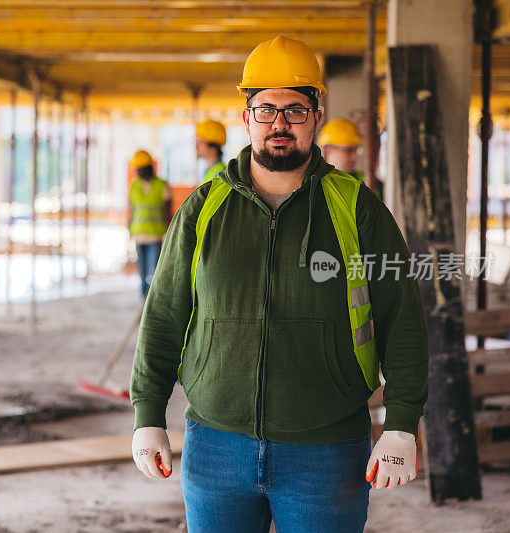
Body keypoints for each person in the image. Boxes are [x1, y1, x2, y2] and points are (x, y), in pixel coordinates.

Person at [130, 36, 428, 532]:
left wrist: (400, 426)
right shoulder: (203, 208)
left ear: (315, 117)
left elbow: (402, 320)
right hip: (215, 446)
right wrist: (148, 414)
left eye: (295, 110)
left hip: (327, 450)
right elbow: (163, 314)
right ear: (245, 118)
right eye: (266, 109)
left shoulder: (358, 209)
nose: (279, 125)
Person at [128, 150, 172, 297]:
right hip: (139, 235)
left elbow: (168, 211)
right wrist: (129, 231)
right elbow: (132, 210)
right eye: (137, 169)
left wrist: (170, 232)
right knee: (142, 273)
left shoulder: (162, 185)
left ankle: (153, 300)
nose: (139, 172)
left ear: (149, 167)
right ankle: (143, 301)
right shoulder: (134, 186)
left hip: (155, 236)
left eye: (142, 168)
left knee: (154, 272)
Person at [318, 117, 384, 199]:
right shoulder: (313, 185)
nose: (354, 157)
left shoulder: (372, 183)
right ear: (328, 151)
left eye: (356, 150)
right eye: (348, 150)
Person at [196, 119, 227, 184]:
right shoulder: (210, 171)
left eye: (200, 142)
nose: (196, 146)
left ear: (214, 148)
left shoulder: (219, 175)